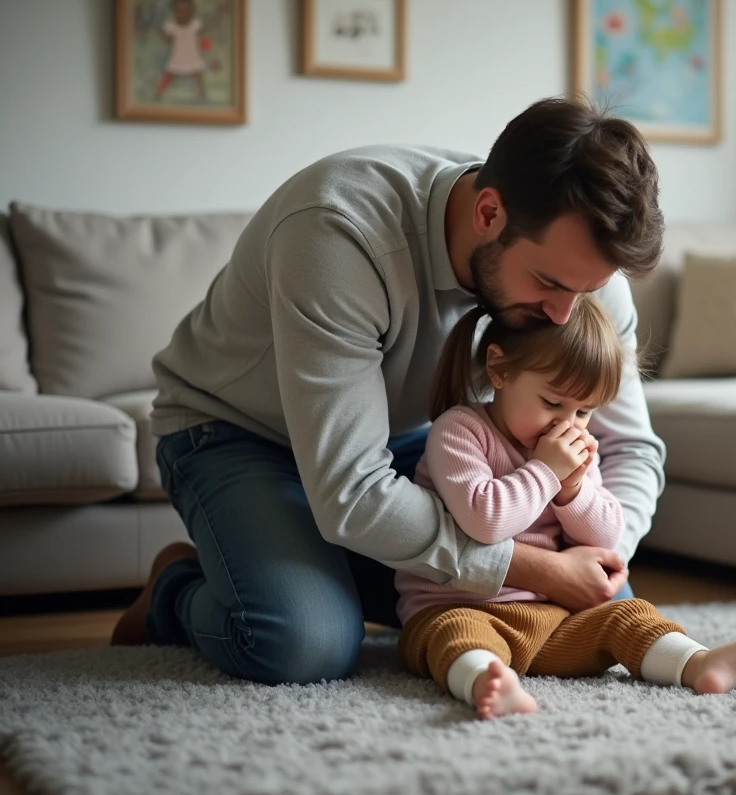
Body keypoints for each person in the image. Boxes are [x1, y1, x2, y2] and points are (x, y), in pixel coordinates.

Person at [110, 98, 668, 689]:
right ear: (488, 212)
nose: (563, 316)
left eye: (585, 293)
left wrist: (604, 557)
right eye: (548, 284)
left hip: (406, 448)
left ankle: (318, 567)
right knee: (304, 643)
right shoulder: (336, 231)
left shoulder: (580, 274)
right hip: (233, 435)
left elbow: (631, 448)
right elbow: (352, 492)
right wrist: (539, 568)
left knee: (601, 609)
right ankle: (176, 590)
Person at [399, 296, 736, 718]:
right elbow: (486, 520)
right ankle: (486, 680)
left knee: (628, 614)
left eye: (584, 411)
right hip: (460, 606)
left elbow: (606, 539)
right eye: (553, 403)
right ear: (499, 370)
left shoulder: (571, 455)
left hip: (553, 617)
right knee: (456, 635)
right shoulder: (460, 431)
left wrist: (573, 490)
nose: (568, 424)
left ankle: (697, 663)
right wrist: (546, 472)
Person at [155, 0, 207, 101]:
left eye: (186, 10)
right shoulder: (171, 26)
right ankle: (158, 92)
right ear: (173, 12)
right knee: (169, 75)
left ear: (192, 11)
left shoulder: (195, 24)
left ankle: (202, 94)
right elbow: (168, 42)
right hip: (177, 57)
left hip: (193, 56)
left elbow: (203, 37)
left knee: (197, 75)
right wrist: (161, 35)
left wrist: (205, 45)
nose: (182, 14)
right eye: (178, 10)